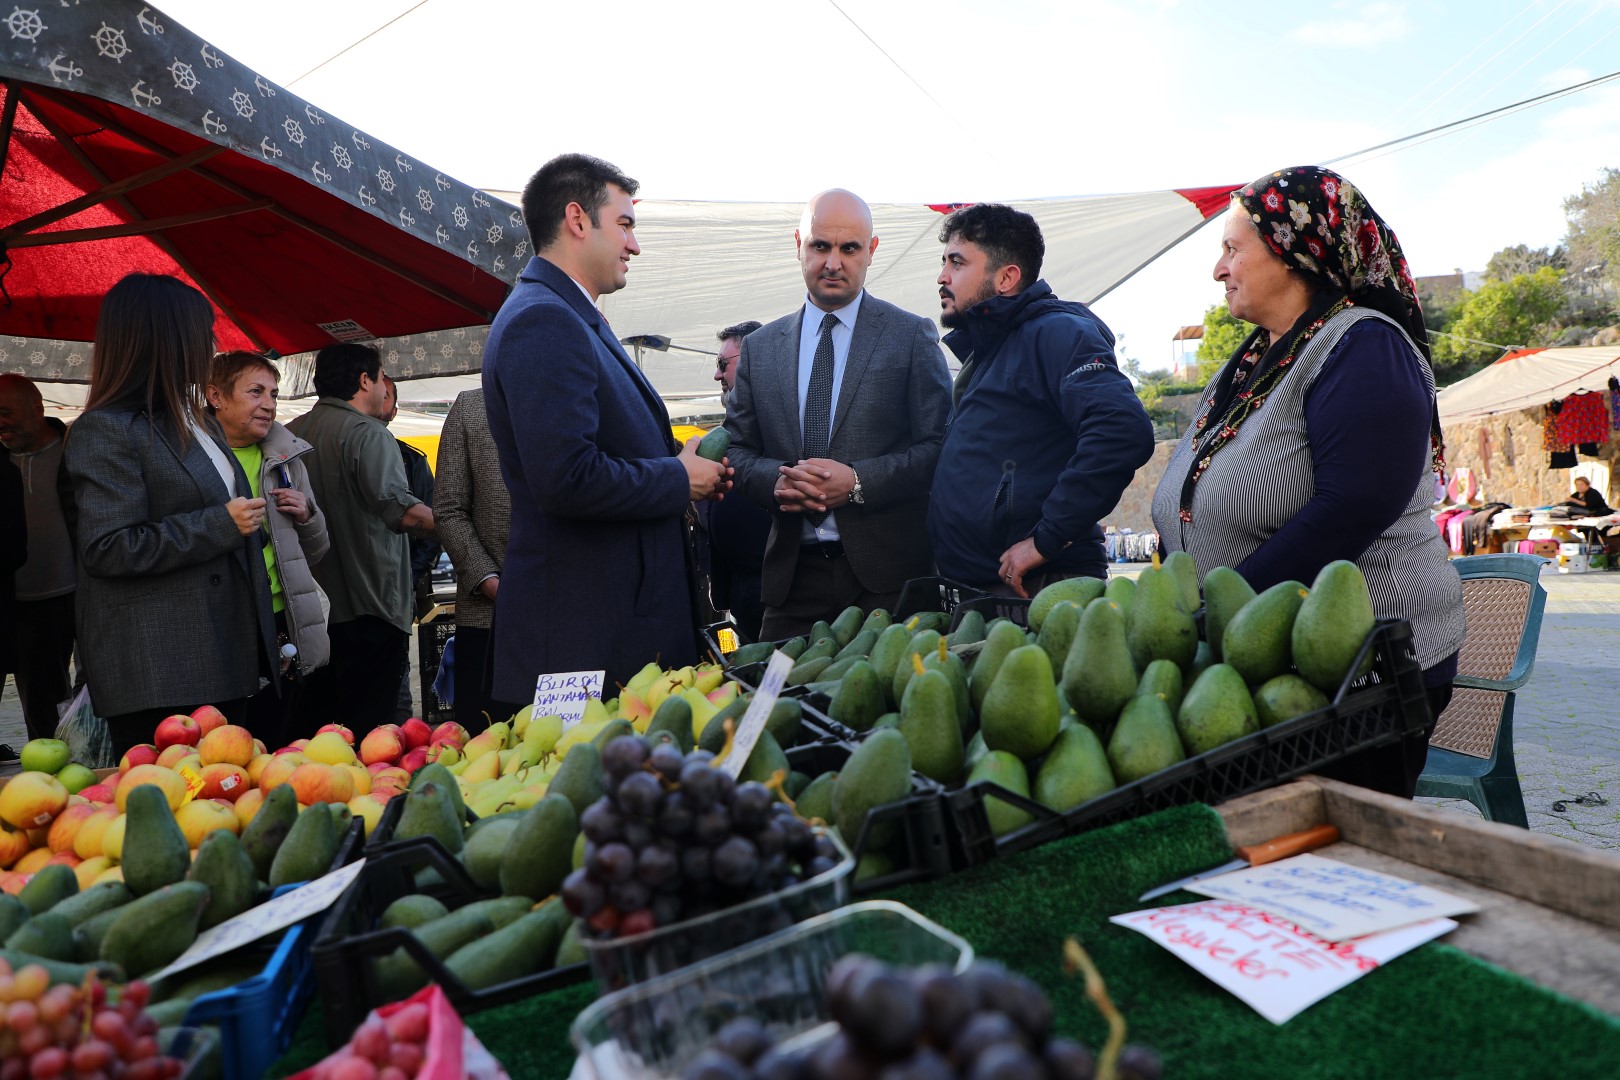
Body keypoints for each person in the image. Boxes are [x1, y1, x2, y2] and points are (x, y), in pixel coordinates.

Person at [1150, 166, 1465, 799]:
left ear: (1296, 252)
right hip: (1261, 667)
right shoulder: (1255, 358)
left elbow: (1353, 506)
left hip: (1361, 674)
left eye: (1232, 249)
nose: (1218, 270)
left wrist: (1219, 617)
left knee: (1333, 851)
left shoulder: (1365, 348)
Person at [482, 153, 728, 697]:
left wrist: (675, 460)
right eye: (624, 224)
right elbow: (566, 477)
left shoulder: (566, 313)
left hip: (604, 631)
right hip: (585, 642)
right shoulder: (543, 320)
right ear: (577, 219)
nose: (634, 245)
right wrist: (676, 479)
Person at [62, 274, 280, 756]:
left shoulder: (198, 420)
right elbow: (108, 546)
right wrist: (221, 524)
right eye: (205, 334)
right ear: (170, 339)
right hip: (160, 669)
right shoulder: (106, 430)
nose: (213, 346)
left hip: (226, 654)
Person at [724, 190, 952, 638]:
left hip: (890, 587)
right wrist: (780, 481)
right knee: (775, 704)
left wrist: (859, 482)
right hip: (791, 586)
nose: (833, 262)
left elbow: (939, 449)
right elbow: (737, 450)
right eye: (820, 246)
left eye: (849, 248)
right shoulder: (759, 349)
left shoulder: (910, 336)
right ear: (798, 245)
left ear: (871, 250)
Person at [927, 204, 1156, 597]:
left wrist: (1045, 540)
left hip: (1040, 589)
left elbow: (1122, 430)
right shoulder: (992, 349)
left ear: (1006, 278)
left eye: (957, 262)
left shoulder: (1056, 333)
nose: (942, 277)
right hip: (985, 590)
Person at [287, 343, 435, 737]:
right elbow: (401, 510)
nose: (385, 387)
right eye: (381, 375)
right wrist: (455, 524)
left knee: (312, 737)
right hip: (371, 606)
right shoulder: (368, 433)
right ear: (364, 380)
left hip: (306, 612)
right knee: (372, 739)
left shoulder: (289, 431)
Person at [205, 351, 331, 749]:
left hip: (281, 618)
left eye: (273, 393)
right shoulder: (192, 458)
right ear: (216, 396)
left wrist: (308, 514)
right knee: (228, 742)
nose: (270, 404)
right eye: (255, 392)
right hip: (222, 621)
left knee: (281, 738)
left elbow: (319, 549)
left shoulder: (285, 456)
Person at [432, 386, 516, 730]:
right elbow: (449, 509)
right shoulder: (471, 407)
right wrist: (489, 581)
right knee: (487, 742)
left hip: (573, 619)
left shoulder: (583, 398)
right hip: (488, 615)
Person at [0, 375, 76, 741]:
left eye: (5, 412)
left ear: (37, 409)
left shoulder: (74, 451)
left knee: (83, 695)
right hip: (17, 600)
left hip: (73, 592)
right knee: (41, 709)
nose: (0, 422)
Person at [700, 320, 771, 641]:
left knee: (781, 675)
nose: (717, 375)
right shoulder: (730, 430)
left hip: (775, 589)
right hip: (743, 591)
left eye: (722, 365)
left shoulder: (780, 421)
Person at [379, 375, 440, 721]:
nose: (375, 398)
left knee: (398, 687)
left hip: (399, 595)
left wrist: (407, 579)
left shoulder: (411, 461)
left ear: (394, 409)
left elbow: (434, 531)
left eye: (385, 395)